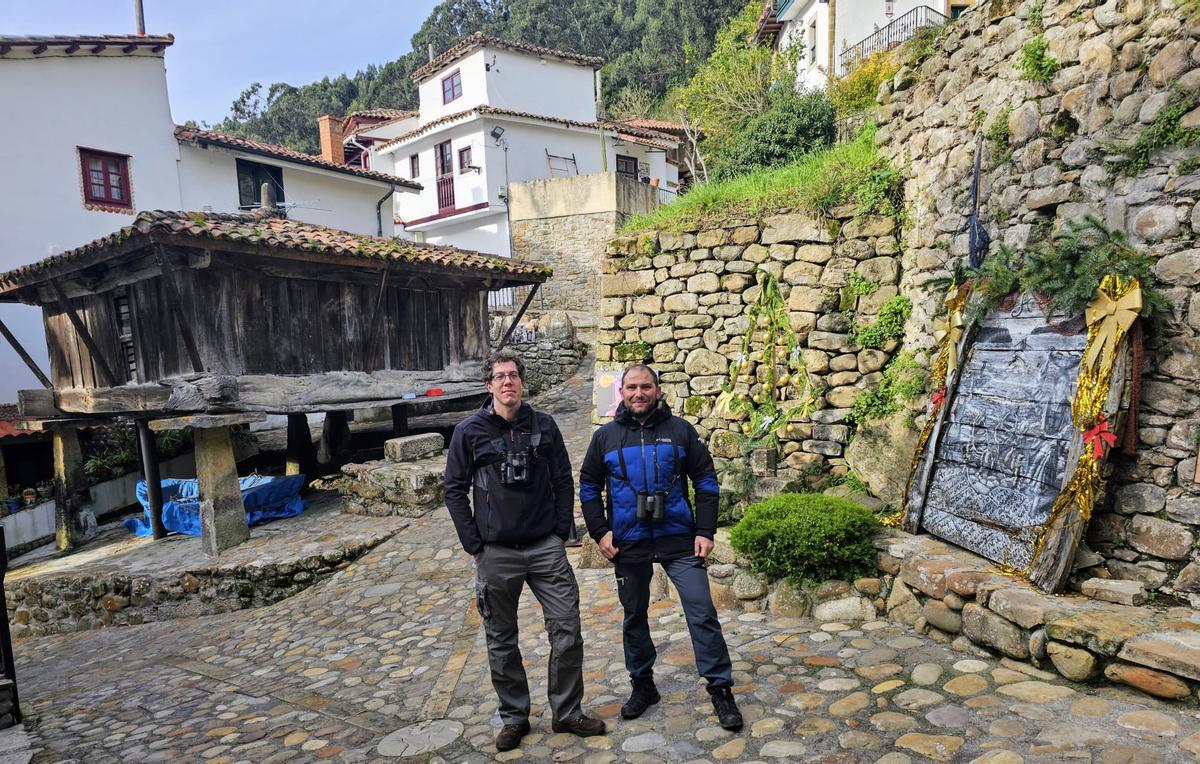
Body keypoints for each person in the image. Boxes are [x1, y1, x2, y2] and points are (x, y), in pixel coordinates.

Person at [443, 350, 606, 751]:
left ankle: (567, 712)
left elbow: (563, 479)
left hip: (545, 549)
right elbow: (453, 489)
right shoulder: (470, 431)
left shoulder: (545, 426)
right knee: (501, 639)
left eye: (513, 375)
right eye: (499, 377)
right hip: (496, 552)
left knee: (567, 628)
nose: (507, 382)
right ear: (489, 385)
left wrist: (560, 533)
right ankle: (514, 716)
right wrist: (474, 544)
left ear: (522, 382)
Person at [579, 363, 743, 731]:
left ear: (658, 390)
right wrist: (599, 532)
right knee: (634, 617)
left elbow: (705, 480)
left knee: (702, 611)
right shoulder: (605, 437)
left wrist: (705, 530)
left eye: (646, 387)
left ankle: (720, 689)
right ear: (621, 392)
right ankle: (643, 685)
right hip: (627, 544)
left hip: (679, 540)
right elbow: (589, 486)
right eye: (632, 387)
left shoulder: (681, 431)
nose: (639, 393)